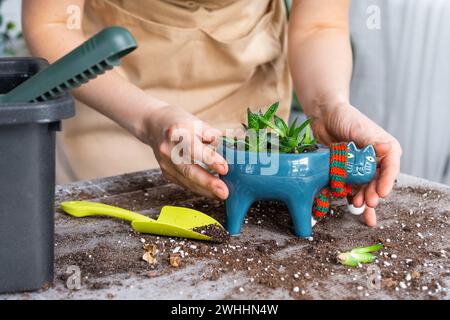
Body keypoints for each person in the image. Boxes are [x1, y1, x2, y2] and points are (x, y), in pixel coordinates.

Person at [22, 0, 402, 227]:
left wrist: (328, 106)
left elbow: (320, 23)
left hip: (251, 114)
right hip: (111, 107)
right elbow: (53, 22)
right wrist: (148, 117)